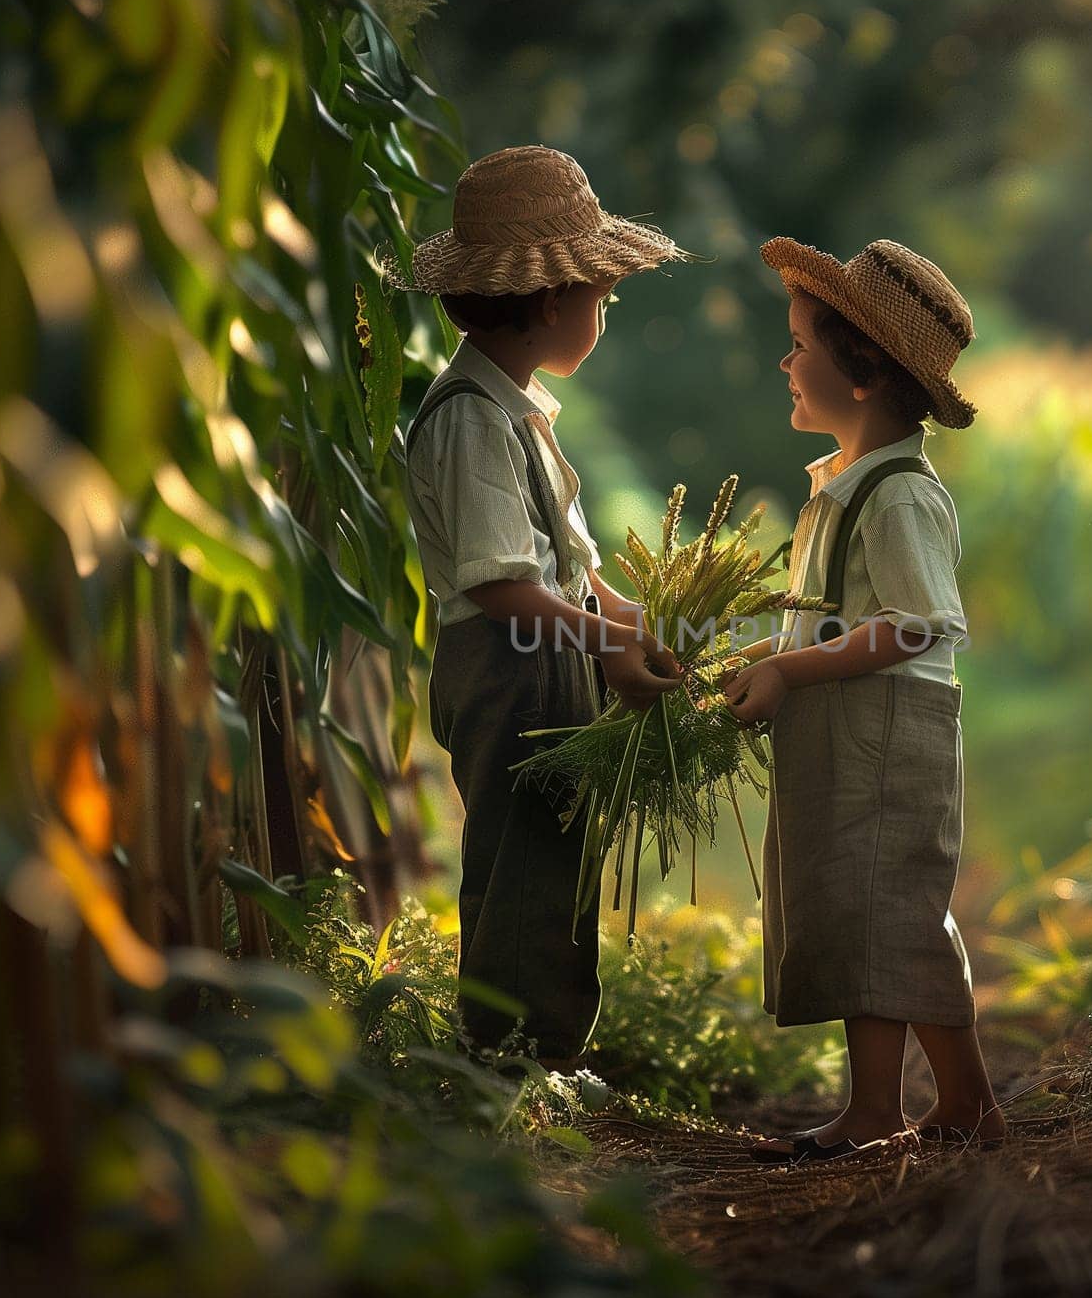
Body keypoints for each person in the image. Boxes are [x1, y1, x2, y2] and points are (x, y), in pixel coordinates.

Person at [382, 144, 686, 1066]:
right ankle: (506, 1059)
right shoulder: (471, 419)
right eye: (602, 295)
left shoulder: (517, 406)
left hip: (546, 659)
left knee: (559, 862)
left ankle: (546, 1052)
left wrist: (629, 623)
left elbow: (564, 566)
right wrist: (603, 640)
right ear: (552, 302)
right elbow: (502, 586)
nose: (606, 310)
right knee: (521, 870)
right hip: (508, 670)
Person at [722, 237, 1004, 1161]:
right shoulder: (846, 490)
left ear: (865, 370)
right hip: (852, 729)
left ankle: (901, 1107)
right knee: (857, 909)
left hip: (889, 735)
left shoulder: (898, 498)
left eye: (800, 342)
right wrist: (764, 656)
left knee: (890, 911)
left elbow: (920, 623)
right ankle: (945, 1103)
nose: (785, 361)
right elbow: (831, 624)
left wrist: (792, 672)